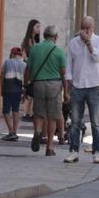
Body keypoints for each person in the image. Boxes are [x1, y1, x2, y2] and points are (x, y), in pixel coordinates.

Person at [66, 16, 99, 164]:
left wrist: (88, 42)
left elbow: (97, 58)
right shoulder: (73, 43)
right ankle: (74, 151)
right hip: (77, 85)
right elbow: (68, 65)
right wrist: (68, 86)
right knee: (75, 121)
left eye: (88, 27)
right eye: (84, 27)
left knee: (96, 121)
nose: (86, 30)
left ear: (93, 28)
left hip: (94, 85)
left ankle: (98, 151)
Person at [26, 25, 66, 155]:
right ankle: (49, 147)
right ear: (55, 37)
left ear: (44, 36)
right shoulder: (59, 51)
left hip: (38, 84)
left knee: (38, 113)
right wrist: (67, 92)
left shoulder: (34, 49)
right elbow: (63, 73)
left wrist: (25, 84)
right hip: (54, 85)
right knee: (53, 117)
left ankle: (38, 131)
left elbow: (28, 69)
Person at [0, 46, 27, 140]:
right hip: (18, 90)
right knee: (16, 111)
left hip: (7, 89)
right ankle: (15, 131)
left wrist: (1, 88)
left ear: (12, 54)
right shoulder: (24, 64)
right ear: (20, 55)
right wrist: (24, 92)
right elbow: (26, 79)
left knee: (6, 111)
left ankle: (11, 132)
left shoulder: (7, 62)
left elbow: (2, 76)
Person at [21, 19, 42, 121]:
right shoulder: (27, 40)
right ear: (32, 28)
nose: (39, 29)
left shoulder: (37, 41)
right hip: (29, 68)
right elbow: (24, 56)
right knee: (29, 91)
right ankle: (26, 113)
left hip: (35, 69)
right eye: (37, 26)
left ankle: (31, 113)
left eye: (39, 27)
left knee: (34, 91)